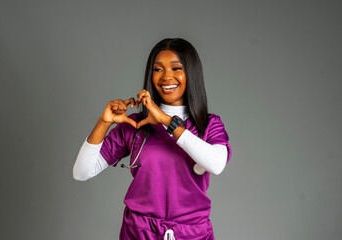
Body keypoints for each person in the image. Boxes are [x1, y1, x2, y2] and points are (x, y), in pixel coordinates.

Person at [73, 38, 232, 240]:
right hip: (139, 233)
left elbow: (217, 164)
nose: (166, 77)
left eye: (176, 68)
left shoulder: (208, 125)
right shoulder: (135, 125)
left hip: (192, 235)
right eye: (158, 69)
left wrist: (167, 121)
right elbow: (81, 172)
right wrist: (104, 123)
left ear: (191, 73)